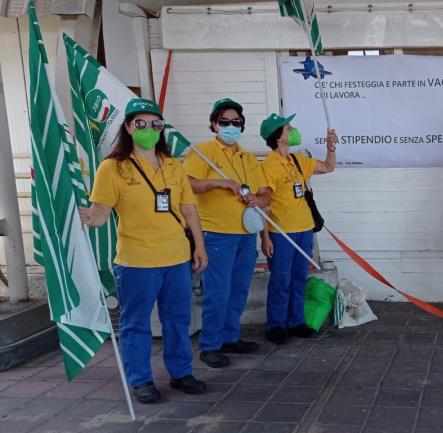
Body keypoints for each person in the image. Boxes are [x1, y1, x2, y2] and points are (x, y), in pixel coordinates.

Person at [78, 98, 208, 404]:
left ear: (161, 129)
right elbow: (101, 212)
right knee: (136, 324)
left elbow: (188, 208)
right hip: (136, 262)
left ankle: (181, 373)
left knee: (178, 320)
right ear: (128, 127)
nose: (148, 129)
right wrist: (88, 217)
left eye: (155, 124)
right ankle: (140, 380)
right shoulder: (113, 168)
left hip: (176, 259)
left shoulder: (173, 165)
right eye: (141, 123)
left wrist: (199, 246)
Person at [183, 98, 271, 368]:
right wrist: (219, 182)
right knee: (217, 292)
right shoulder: (203, 151)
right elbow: (187, 184)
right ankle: (210, 345)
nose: (231, 126)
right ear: (214, 124)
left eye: (236, 122)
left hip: (246, 233)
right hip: (217, 235)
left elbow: (266, 192)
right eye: (225, 121)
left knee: (238, 289)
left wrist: (259, 200)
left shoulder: (248, 158)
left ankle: (230, 337)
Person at [258, 113, 337, 344]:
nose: (293, 130)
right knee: (281, 280)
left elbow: (328, 167)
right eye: (288, 128)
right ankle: (275, 326)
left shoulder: (297, 159)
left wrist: (330, 147)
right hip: (280, 232)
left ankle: (295, 322)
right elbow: (263, 203)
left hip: (304, 229)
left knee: (299, 278)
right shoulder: (269, 166)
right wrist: (265, 237)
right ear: (278, 137)